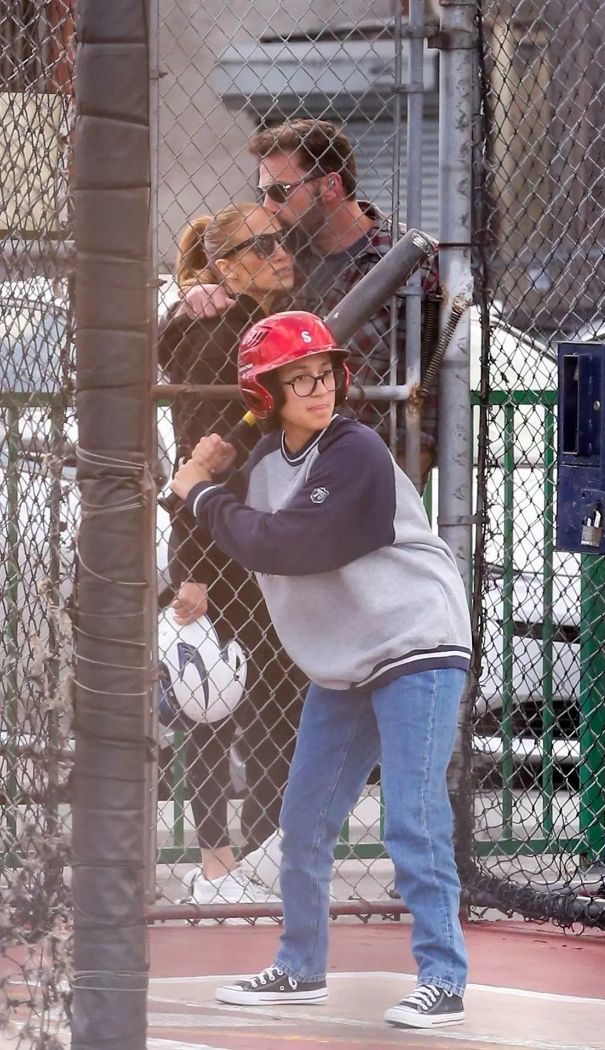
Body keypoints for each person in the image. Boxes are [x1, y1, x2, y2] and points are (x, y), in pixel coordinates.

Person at [170, 310, 471, 1030]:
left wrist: (203, 492)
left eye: (324, 373)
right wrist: (201, 476)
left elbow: (283, 545)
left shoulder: (355, 451)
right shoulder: (262, 466)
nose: (318, 388)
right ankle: (300, 966)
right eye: (296, 379)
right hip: (345, 667)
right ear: (265, 396)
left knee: (412, 814)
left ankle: (444, 977)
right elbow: (217, 536)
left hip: (415, 645)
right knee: (302, 822)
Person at [159, 204, 306, 907]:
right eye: (264, 245)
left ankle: (262, 852)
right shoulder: (211, 329)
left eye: (285, 240)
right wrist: (190, 570)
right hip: (215, 547)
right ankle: (218, 862)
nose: (282, 253)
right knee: (214, 706)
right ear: (223, 266)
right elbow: (197, 460)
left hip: (265, 543)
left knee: (278, 702)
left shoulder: (278, 323)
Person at [175, 117, 441, 485]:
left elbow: (434, 378)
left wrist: (405, 476)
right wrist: (197, 289)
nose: (268, 205)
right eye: (263, 191)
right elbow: (222, 282)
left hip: (362, 469)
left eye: (280, 191)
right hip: (279, 472)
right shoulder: (281, 254)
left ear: (330, 185)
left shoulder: (403, 262)